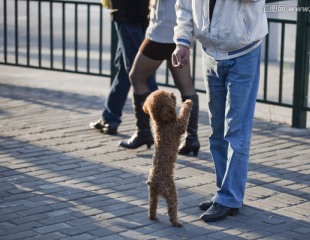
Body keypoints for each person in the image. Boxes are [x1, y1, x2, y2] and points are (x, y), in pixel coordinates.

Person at [172, 0, 268, 222]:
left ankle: (229, 197)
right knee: (217, 131)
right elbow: (185, 9)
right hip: (211, 54)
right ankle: (224, 192)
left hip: (243, 52)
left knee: (236, 130)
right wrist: (182, 42)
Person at [119, 0, 200, 156]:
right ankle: (192, 138)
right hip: (179, 31)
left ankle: (143, 132)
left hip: (162, 31)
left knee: (136, 77)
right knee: (186, 86)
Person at [89, 0, 158, 135]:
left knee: (139, 71)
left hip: (129, 12)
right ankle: (110, 117)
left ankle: (164, 124)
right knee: (125, 68)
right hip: (136, 12)